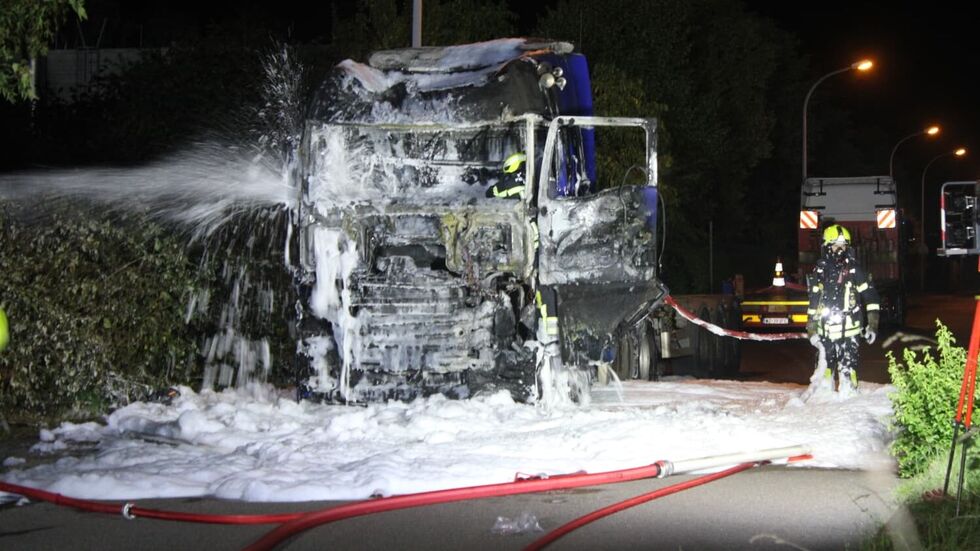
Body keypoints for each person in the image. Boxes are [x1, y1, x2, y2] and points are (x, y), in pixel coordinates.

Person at [805, 224, 880, 398]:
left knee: (848, 370)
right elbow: (814, 301)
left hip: (850, 329)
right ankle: (824, 403)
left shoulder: (855, 270)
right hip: (825, 330)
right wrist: (811, 328)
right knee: (825, 370)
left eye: (843, 246)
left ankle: (849, 401)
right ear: (827, 247)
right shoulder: (820, 271)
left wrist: (873, 325)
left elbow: (870, 297)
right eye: (836, 245)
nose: (840, 249)